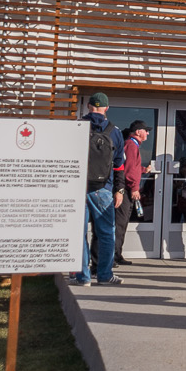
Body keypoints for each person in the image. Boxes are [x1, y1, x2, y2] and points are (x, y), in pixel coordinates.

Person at [77, 93, 124, 286]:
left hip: (78, 188)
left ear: (88, 106)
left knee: (79, 233)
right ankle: (104, 275)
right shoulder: (115, 131)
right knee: (106, 233)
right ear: (107, 108)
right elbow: (119, 164)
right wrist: (119, 189)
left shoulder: (77, 127)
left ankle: (83, 277)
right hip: (103, 189)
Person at [115, 120, 151, 267]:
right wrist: (135, 187)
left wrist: (143, 170)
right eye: (145, 130)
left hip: (128, 188)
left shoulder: (132, 145)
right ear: (138, 132)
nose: (148, 133)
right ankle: (113, 255)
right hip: (126, 190)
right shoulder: (131, 145)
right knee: (119, 223)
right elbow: (128, 170)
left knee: (122, 223)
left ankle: (117, 254)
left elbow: (133, 167)